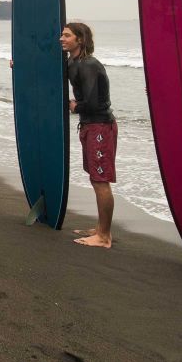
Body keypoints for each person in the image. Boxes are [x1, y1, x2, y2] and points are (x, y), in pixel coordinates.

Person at [60, 23, 114, 242]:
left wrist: (74, 107)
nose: (61, 38)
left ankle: (104, 236)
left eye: (66, 35)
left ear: (80, 39)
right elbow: (46, 73)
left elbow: (91, 102)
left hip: (100, 125)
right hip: (89, 126)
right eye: (61, 35)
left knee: (100, 180)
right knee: (95, 178)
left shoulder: (89, 64)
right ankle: (100, 228)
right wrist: (19, 65)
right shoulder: (73, 63)